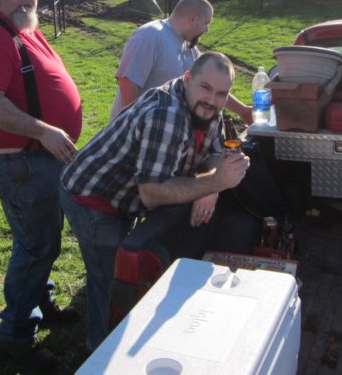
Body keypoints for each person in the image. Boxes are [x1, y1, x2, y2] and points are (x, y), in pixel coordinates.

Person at [61, 51, 251, 351]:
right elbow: (152, 192)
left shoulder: (206, 107)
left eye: (221, 94)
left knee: (125, 272)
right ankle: (99, 352)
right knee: (111, 282)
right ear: (187, 78)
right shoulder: (167, 115)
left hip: (126, 197)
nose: (212, 100)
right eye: (205, 88)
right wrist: (215, 182)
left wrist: (211, 187)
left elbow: (214, 150)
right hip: (94, 198)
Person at [0, 0, 82, 370]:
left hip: (39, 159)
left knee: (42, 239)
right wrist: (45, 131)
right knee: (36, 245)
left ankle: (39, 301)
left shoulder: (27, 29)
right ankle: (14, 333)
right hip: (22, 163)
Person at [109, 0, 253, 124]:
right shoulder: (150, 35)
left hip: (162, 135)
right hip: (132, 139)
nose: (207, 30)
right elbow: (127, 85)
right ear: (192, 19)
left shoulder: (190, 48)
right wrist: (138, 126)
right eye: (206, 23)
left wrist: (243, 110)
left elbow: (211, 86)